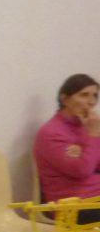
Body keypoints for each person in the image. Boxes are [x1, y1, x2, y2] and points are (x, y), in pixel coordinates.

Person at [34, 73, 100, 224]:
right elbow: (82, 170)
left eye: (95, 96)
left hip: (94, 198)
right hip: (72, 207)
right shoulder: (50, 132)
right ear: (64, 99)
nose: (91, 102)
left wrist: (87, 146)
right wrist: (93, 136)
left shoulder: (85, 126)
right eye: (84, 95)